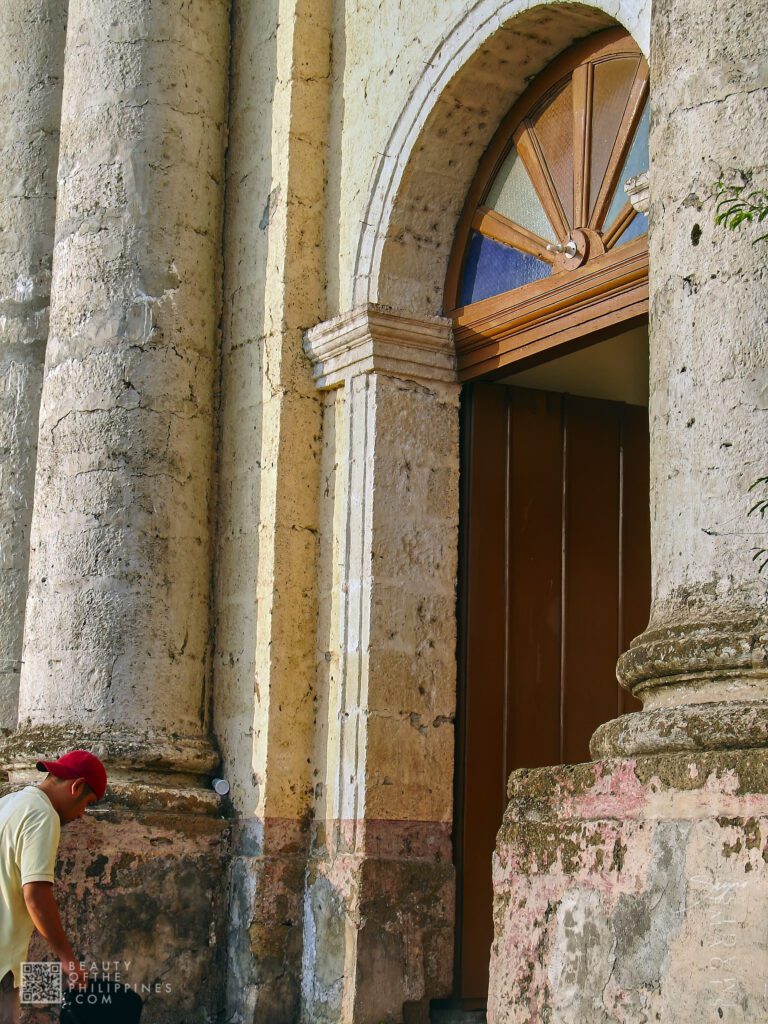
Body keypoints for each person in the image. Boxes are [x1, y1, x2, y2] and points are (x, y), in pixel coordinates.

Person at [0, 750, 107, 1024]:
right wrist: (68, 961)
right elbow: (36, 894)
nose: (82, 815)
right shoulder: (43, 815)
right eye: (88, 804)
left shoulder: (8, 803)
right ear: (77, 787)